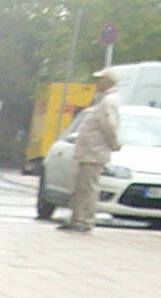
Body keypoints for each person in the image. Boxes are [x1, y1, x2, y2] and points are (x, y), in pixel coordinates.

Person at [64, 69, 121, 234]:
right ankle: (77, 219)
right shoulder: (102, 99)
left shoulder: (109, 101)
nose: (97, 83)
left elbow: (109, 125)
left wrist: (113, 143)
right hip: (90, 151)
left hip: (95, 151)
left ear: (108, 81)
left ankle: (85, 220)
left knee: (88, 188)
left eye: (100, 79)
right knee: (82, 187)